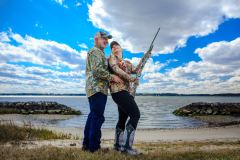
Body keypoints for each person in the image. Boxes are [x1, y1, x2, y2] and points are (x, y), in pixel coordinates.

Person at [83, 32, 123, 152]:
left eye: (107, 39)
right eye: (103, 38)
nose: (106, 41)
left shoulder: (99, 53)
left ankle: (87, 145)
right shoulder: (95, 51)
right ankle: (94, 147)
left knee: (93, 116)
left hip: (94, 89)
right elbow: (97, 70)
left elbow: (101, 66)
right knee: (98, 117)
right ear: (96, 39)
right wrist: (112, 77)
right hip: (97, 89)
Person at [108, 41, 141, 155]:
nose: (115, 48)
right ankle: (127, 148)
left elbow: (136, 70)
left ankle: (117, 145)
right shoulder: (112, 59)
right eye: (112, 47)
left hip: (126, 92)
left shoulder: (127, 62)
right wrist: (131, 78)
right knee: (135, 115)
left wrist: (145, 58)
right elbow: (117, 70)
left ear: (121, 48)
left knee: (122, 118)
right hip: (118, 92)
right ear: (111, 51)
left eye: (117, 46)